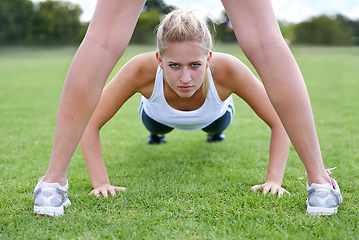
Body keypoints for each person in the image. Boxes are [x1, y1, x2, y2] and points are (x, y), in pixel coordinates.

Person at [33, 0, 342, 217]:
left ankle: (320, 181)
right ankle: (52, 182)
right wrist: (100, 182)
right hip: (155, 117)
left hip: (216, 117)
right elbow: (92, 121)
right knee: (102, 43)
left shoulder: (227, 69)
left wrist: (274, 179)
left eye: (195, 65)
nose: (185, 78)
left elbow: (278, 118)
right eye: (174, 65)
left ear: (208, 60)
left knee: (261, 46)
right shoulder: (140, 69)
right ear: (159, 61)